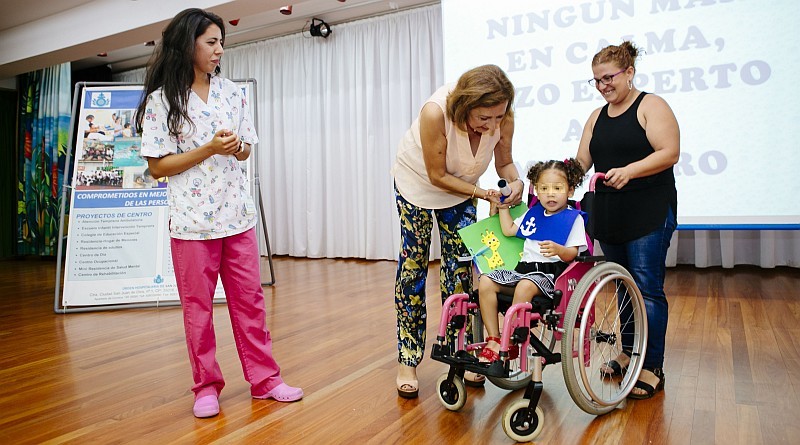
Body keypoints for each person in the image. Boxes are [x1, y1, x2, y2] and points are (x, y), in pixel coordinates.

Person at [135, 8, 302, 418]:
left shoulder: (233, 93)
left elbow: (246, 148)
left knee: (251, 303)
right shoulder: (162, 102)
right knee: (199, 310)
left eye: (221, 42)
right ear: (187, 44)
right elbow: (157, 167)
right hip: (192, 224)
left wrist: (234, 146)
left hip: (238, 217)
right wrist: (208, 148)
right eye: (211, 42)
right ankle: (205, 386)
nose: (219, 49)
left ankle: (265, 380)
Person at [391, 64, 525, 398]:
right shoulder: (435, 113)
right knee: (414, 270)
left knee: (461, 270)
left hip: (463, 189)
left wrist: (515, 181)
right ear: (465, 107)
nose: (493, 125)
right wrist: (481, 193)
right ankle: (408, 359)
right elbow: (436, 175)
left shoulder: (502, 115)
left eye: (498, 117)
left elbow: (504, 162)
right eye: (484, 119)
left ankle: (461, 354)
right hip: (418, 187)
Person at [575, 41, 679, 399]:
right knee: (623, 287)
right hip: (610, 212)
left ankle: (651, 366)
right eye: (596, 80)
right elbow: (581, 164)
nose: (603, 86)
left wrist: (630, 171)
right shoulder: (596, 116)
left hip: (649, 209)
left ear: (629, 72)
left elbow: (670, 152)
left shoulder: (651, 105)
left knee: (647, 288)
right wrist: (549, 177)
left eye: (609, 77)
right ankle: (628, 352)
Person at [477, 159, 587, 362]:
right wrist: (503, 208)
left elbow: (573, 253)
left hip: (550, 275)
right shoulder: (534, 213)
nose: (550, 193)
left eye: (557, 188)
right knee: (485, 280)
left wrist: (558, 249)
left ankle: (511, 338)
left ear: (570, 191)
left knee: (525, 285)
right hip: (523, 271)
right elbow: (509, 230)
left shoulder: (573, 218)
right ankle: (494, 337)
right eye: (544, 188)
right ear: (536, 190)